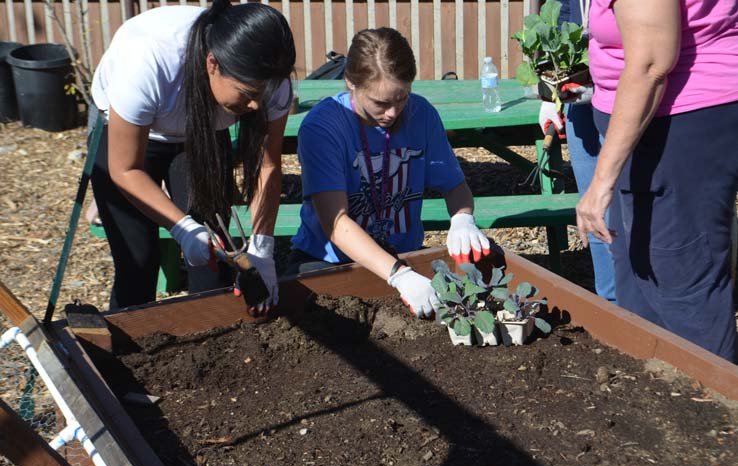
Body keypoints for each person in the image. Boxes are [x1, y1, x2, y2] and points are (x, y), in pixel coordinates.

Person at [89, 1, 295, 313]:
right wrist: (182, 227)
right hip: (131, 135)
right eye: (247, 94)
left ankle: (213, 343)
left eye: (263, 95)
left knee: (212, 258)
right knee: (138, 260)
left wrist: (262, 246)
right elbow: (125, 167)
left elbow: (267, 165)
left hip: (202, 136)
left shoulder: (270, 81)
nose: (255, 106)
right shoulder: (149, 60)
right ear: (212, 64)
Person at [286, 27, 491, 319]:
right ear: (350, 84)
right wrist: (398, 275)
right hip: (329, 262)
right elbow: (335, 222)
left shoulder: (421, 114)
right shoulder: (323, 127)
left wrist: (462, 218)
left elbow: (454, 186)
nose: (393, 113)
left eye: (402, 98)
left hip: (404, 255)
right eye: (381, 103)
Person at [576, 0, 738, 361]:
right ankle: (658, 396)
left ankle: (710, 408)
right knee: (638, 275)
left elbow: (651, 65)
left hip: (678, 127)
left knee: (680, 284)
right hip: (650, 128)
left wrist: (601, 182)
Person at [538, 0, 616, 302]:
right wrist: (551, 96)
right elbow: (561, 26)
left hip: (632, 102)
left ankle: (649, 316)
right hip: (580, 106)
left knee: (634, 211)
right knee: (594, 210)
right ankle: (613, 307)